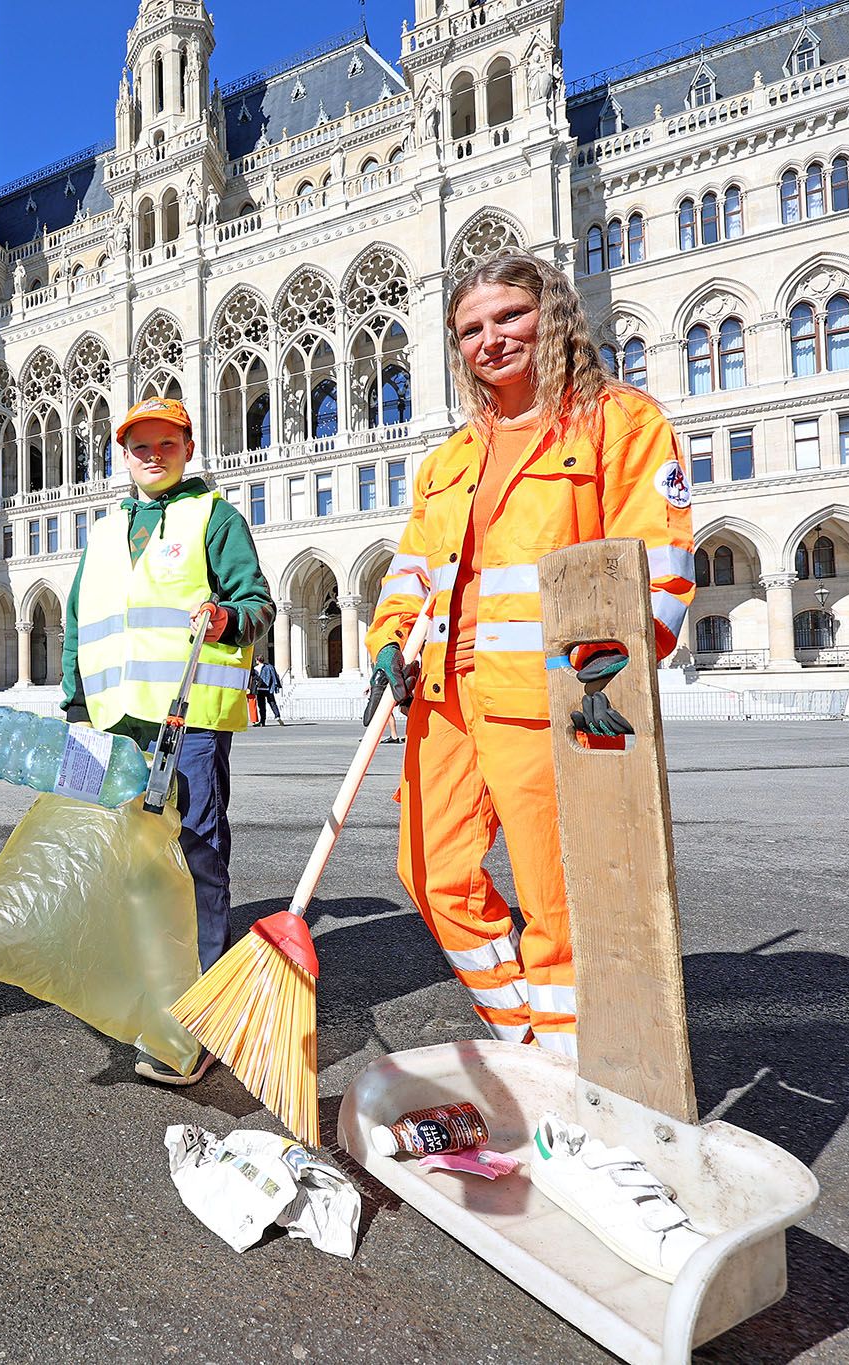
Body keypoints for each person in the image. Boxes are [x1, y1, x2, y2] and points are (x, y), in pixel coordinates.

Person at [364, 251, 693, 1058]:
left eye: (509, 315)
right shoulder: (449, 458)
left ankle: (567, 1065)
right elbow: (411, 572)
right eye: (471, 328)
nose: (491, 338)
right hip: (444, 695)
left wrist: (596, 693)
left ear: (552, 315)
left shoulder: (621, 422)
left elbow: (659, 571)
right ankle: (525, 1035)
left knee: (559, 896)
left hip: (551, 694)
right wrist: (386, 640)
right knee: (434, 877)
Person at [61, 397, 273, 1085]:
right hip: (117, 723)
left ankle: (205, 1009)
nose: (152, 454)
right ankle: (156, 989)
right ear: (122, 454)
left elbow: (257, 603)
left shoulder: (215, 516)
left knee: (199, 855)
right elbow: (79, 625)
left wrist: (225, 618)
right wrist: (75, 706)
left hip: (192, 721)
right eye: (138, 445)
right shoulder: (102, 532)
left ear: (187, 445)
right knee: (137, 864)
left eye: (166, 443)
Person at [250, 657, 285, 726]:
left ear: (257, 661)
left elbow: (254, 678)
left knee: (262, 706)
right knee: (272, 703)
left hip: (260, 689)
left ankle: (262, 721)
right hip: (268, 689)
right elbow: (274, 676)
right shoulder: (269, 667)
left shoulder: (256, 668)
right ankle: (277, 716)